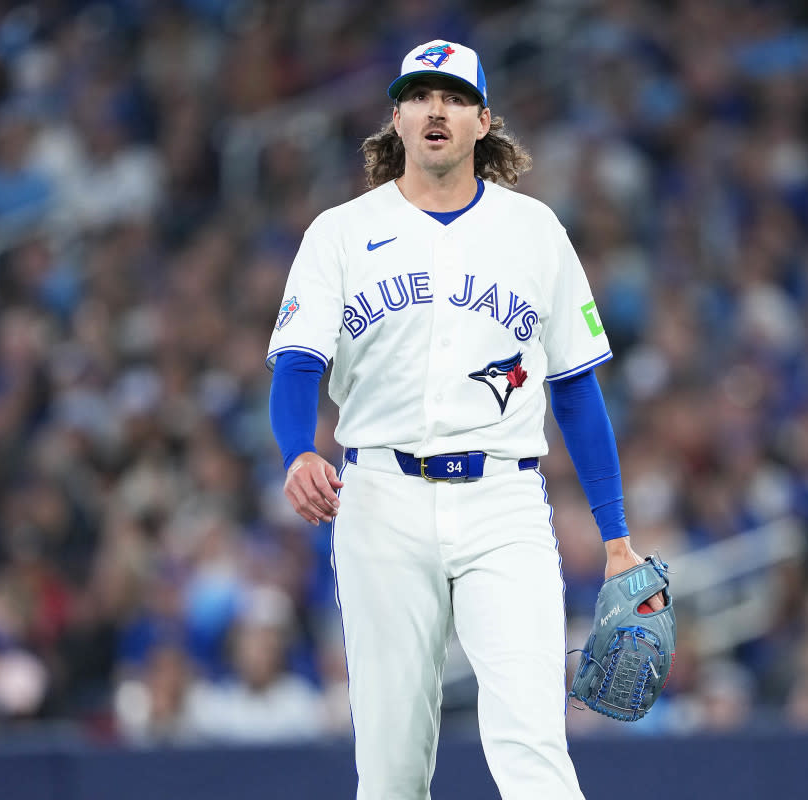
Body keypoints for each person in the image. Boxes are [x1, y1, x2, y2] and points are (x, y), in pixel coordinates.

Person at [266, 39, 665, 799]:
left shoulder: (535, 230)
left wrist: (615, 537)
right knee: (390, 761)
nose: (435, 109)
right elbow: (297, 363)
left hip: (502, 502)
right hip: (380, 496)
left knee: (532, 742)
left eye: (452, 96)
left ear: (484, 121)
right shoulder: (340, 233)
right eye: (419, 95)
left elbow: (576, 388)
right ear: (397, 119)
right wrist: (296, 450)